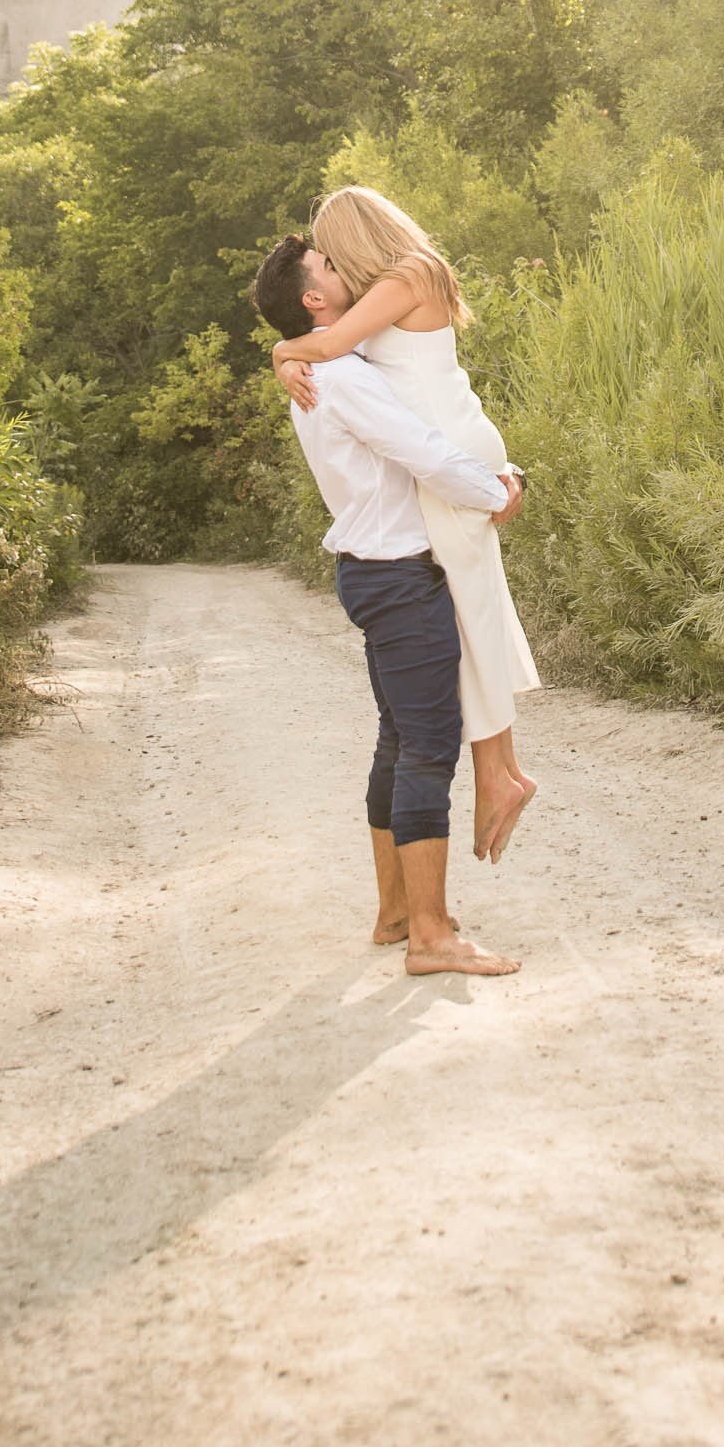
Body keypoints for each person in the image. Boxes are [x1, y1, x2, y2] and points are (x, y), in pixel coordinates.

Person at [251, 232, 523, 979]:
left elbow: (431, 432)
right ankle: (431, 937)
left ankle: (396, 913)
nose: (345, 269)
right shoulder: (340, 375)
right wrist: (495, 491)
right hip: (400, 577)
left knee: (399, 741)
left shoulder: (329, 365)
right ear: (315, 300)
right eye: (330, 267)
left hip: (375, 573)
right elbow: (424, 453)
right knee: (429, 746)